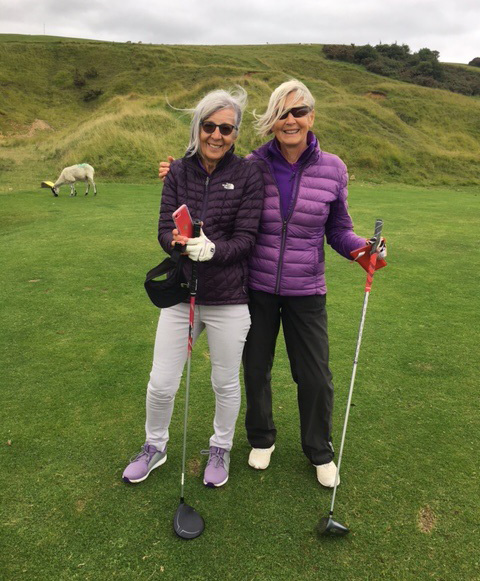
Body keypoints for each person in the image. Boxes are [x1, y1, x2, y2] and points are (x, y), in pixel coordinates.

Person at [159, 79, 386, 488]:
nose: (291, 120)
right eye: (282, 113)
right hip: (257, 286)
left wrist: (362, 251)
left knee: (314, 375)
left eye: (299, 112)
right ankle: (262, 439)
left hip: (307, 289)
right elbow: (214, 178)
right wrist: (179, 169)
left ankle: (319, 449)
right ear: (272, 120)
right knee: (256, 368)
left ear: (312, 116)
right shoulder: (253, 164)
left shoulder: (333, 168)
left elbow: (338, 228)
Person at [123, 87, 263, 488]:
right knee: (162, 381)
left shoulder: (248, 173)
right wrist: (178, 243)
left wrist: (213, 250)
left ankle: (220, 448)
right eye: (209, 126)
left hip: (228, 298)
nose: (216, 135)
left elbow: (247, 239)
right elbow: (163, 229)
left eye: (226, 128)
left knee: (224, 381)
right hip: (182, 294)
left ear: (235, 134)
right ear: (197, 127)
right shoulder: (180, 171)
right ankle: (155, 447)